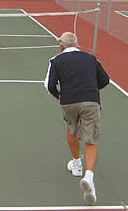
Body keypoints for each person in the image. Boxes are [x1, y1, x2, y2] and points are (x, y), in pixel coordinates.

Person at [44, 32, 109, 205]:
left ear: (62, 46)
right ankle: (89, 176)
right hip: (91, 100)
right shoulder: (91, 58)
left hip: (69, 101)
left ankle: (77, 165)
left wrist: (59, 96)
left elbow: (50, 85)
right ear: (77, 45)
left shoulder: (56, 60)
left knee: (71, 130)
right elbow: (105, 80)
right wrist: (90, 89)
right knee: (91, 142)